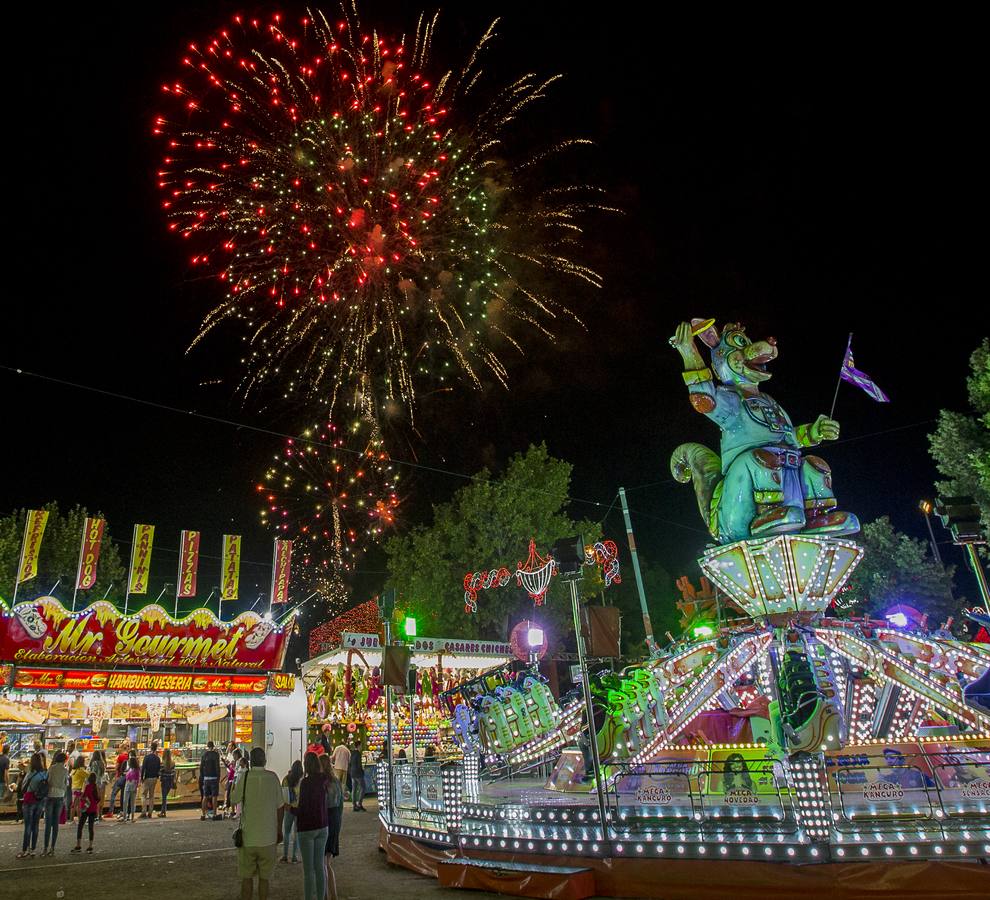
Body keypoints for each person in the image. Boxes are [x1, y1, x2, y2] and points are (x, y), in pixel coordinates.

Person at [229, 747, 283, 900]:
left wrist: (234, 782)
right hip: (268, 837)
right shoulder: (273, 778)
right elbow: (280, 807)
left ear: (251, 761)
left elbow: (233, 799)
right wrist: (279, 830)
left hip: (248, 837)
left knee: (247, 878)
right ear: (265, 760)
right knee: (264, 879)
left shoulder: (244, 777)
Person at [297, 752, 330, 900]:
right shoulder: (324, 779)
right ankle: (321, 897)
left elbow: (303, 807)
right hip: (322, 826)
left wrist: (290, 808)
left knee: (308, 870)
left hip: (307, 828)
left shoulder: (305, 783)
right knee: (320, 866)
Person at [319, 755, 343, 900]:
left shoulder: (322, 783)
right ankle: (332, 895)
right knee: (327, 862)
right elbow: (340, 806)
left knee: (323, 864)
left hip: (324, 819)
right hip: (335, 820)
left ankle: (327, 895)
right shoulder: (336, 782)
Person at [17, 753, 47, 858]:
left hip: (29, 800)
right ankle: (33, 849)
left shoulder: (30, 773)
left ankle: (25, 850)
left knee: (28, 826)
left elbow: (23, 787)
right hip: (40, 801)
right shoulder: (44, 774)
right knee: (36, 825)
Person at [42, 750, 68, 857]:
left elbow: (47, 781)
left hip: (50, 796)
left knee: (48, 823)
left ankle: (45, 848)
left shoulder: (51, 768)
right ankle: (52, 847)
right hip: (60, 796)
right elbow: (65, 784)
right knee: (55, 823)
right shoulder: (65, 770)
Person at [72, 772, 100, 854]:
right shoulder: (96, 787)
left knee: (80, 826)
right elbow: (98, 799)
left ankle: (78, 845)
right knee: (91, 828)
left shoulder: (87, 787)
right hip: (93, 809)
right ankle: (90, 846)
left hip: (86, 809)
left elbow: (84, 797)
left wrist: (79, 795)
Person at [280, 760, 303, 863]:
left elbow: (283, 793)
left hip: (288, 808)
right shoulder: (302, 780)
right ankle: (294, 856)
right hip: (299, 810)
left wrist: (285, 805)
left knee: (287, 832)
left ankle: (285, 855)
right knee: (296, 833)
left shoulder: (286, 779)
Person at [200, 740, 222, 820]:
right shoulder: (216, 755)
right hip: (214, 778)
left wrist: (203, 776)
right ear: (213, 746)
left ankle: (203, 815)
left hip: (206, 778)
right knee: (214, 796)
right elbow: (217, 766)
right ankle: (214, 815)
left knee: (205, 796)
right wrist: (218, 777)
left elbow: (201, 767)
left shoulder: (204, 755)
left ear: (207, 746)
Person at [141, 741, 162, 818]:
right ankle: (150, 812)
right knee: (151, 795)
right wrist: (157, 777)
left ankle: (143, 812)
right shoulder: (158, 758)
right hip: (154, 778)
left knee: (143, 795)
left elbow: (143, 768)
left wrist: (141, 778)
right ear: (156, 748)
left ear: (151, 748)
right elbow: (159, 769)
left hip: (147, 778)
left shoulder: (147, 757)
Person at [107, 748, 128, 818]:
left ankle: (110, 811)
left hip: (120, 777)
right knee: (123, 795)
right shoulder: (128, 756)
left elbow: (116, 767)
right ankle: (123, 811)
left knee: (113, 794)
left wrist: (116, 775)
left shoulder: (121, 756)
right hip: (126, 778)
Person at [70, 754, 88, 822]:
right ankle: (78, 819)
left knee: (75, 804)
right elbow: (88, 775)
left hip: (74, 788)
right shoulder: (80, 771)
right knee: (77, 805)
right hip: (78, 789)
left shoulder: (74, 770)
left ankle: (73, 819)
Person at [89, 749, 108, 815]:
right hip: (100, 782)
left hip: (94, 783)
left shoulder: (94, 763)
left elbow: (93, 773)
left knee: (94, 799)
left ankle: (95, 814)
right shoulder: (102, 763)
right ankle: (99, 814)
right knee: (99, 799)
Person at [348, 742, 366, 811]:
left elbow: (350, 763)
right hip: (358, 773)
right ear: (358, 746)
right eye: (361, 746)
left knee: (354, 789)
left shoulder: (352, 753)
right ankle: (360, 804)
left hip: (353, 773)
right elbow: (359, 764)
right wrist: (362, 771)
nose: (361, 747)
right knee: (363, 788)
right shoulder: (358, 754)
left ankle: (354, 805)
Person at [225, 748, 242, 818]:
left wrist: (232, 766)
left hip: (235, 779)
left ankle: (234, 811)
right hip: (234, 779)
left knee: (233, 795)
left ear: (237, 755)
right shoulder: (237, 761)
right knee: (232, 795)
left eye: (234, 755)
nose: (233, 757)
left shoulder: (239, 761)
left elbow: (236, 771)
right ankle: (234, 811)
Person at [123, 756, 140, 822]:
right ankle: (132, 817)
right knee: (133, 802)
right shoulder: (137, 770)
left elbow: (128, 778)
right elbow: (138, 779)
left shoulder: (130, 769)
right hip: (134, 787)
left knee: (125, 801)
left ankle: (125, 817)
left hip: (128, 786)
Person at [160, 748, 176, 817]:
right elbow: (174, 772)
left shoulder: (162, 762)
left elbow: (160, 772)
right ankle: (163, 811)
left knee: (164, 797)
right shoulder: (173, 762)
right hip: (170, 781)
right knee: (165, 796)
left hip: (164, 780)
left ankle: (163, 811)